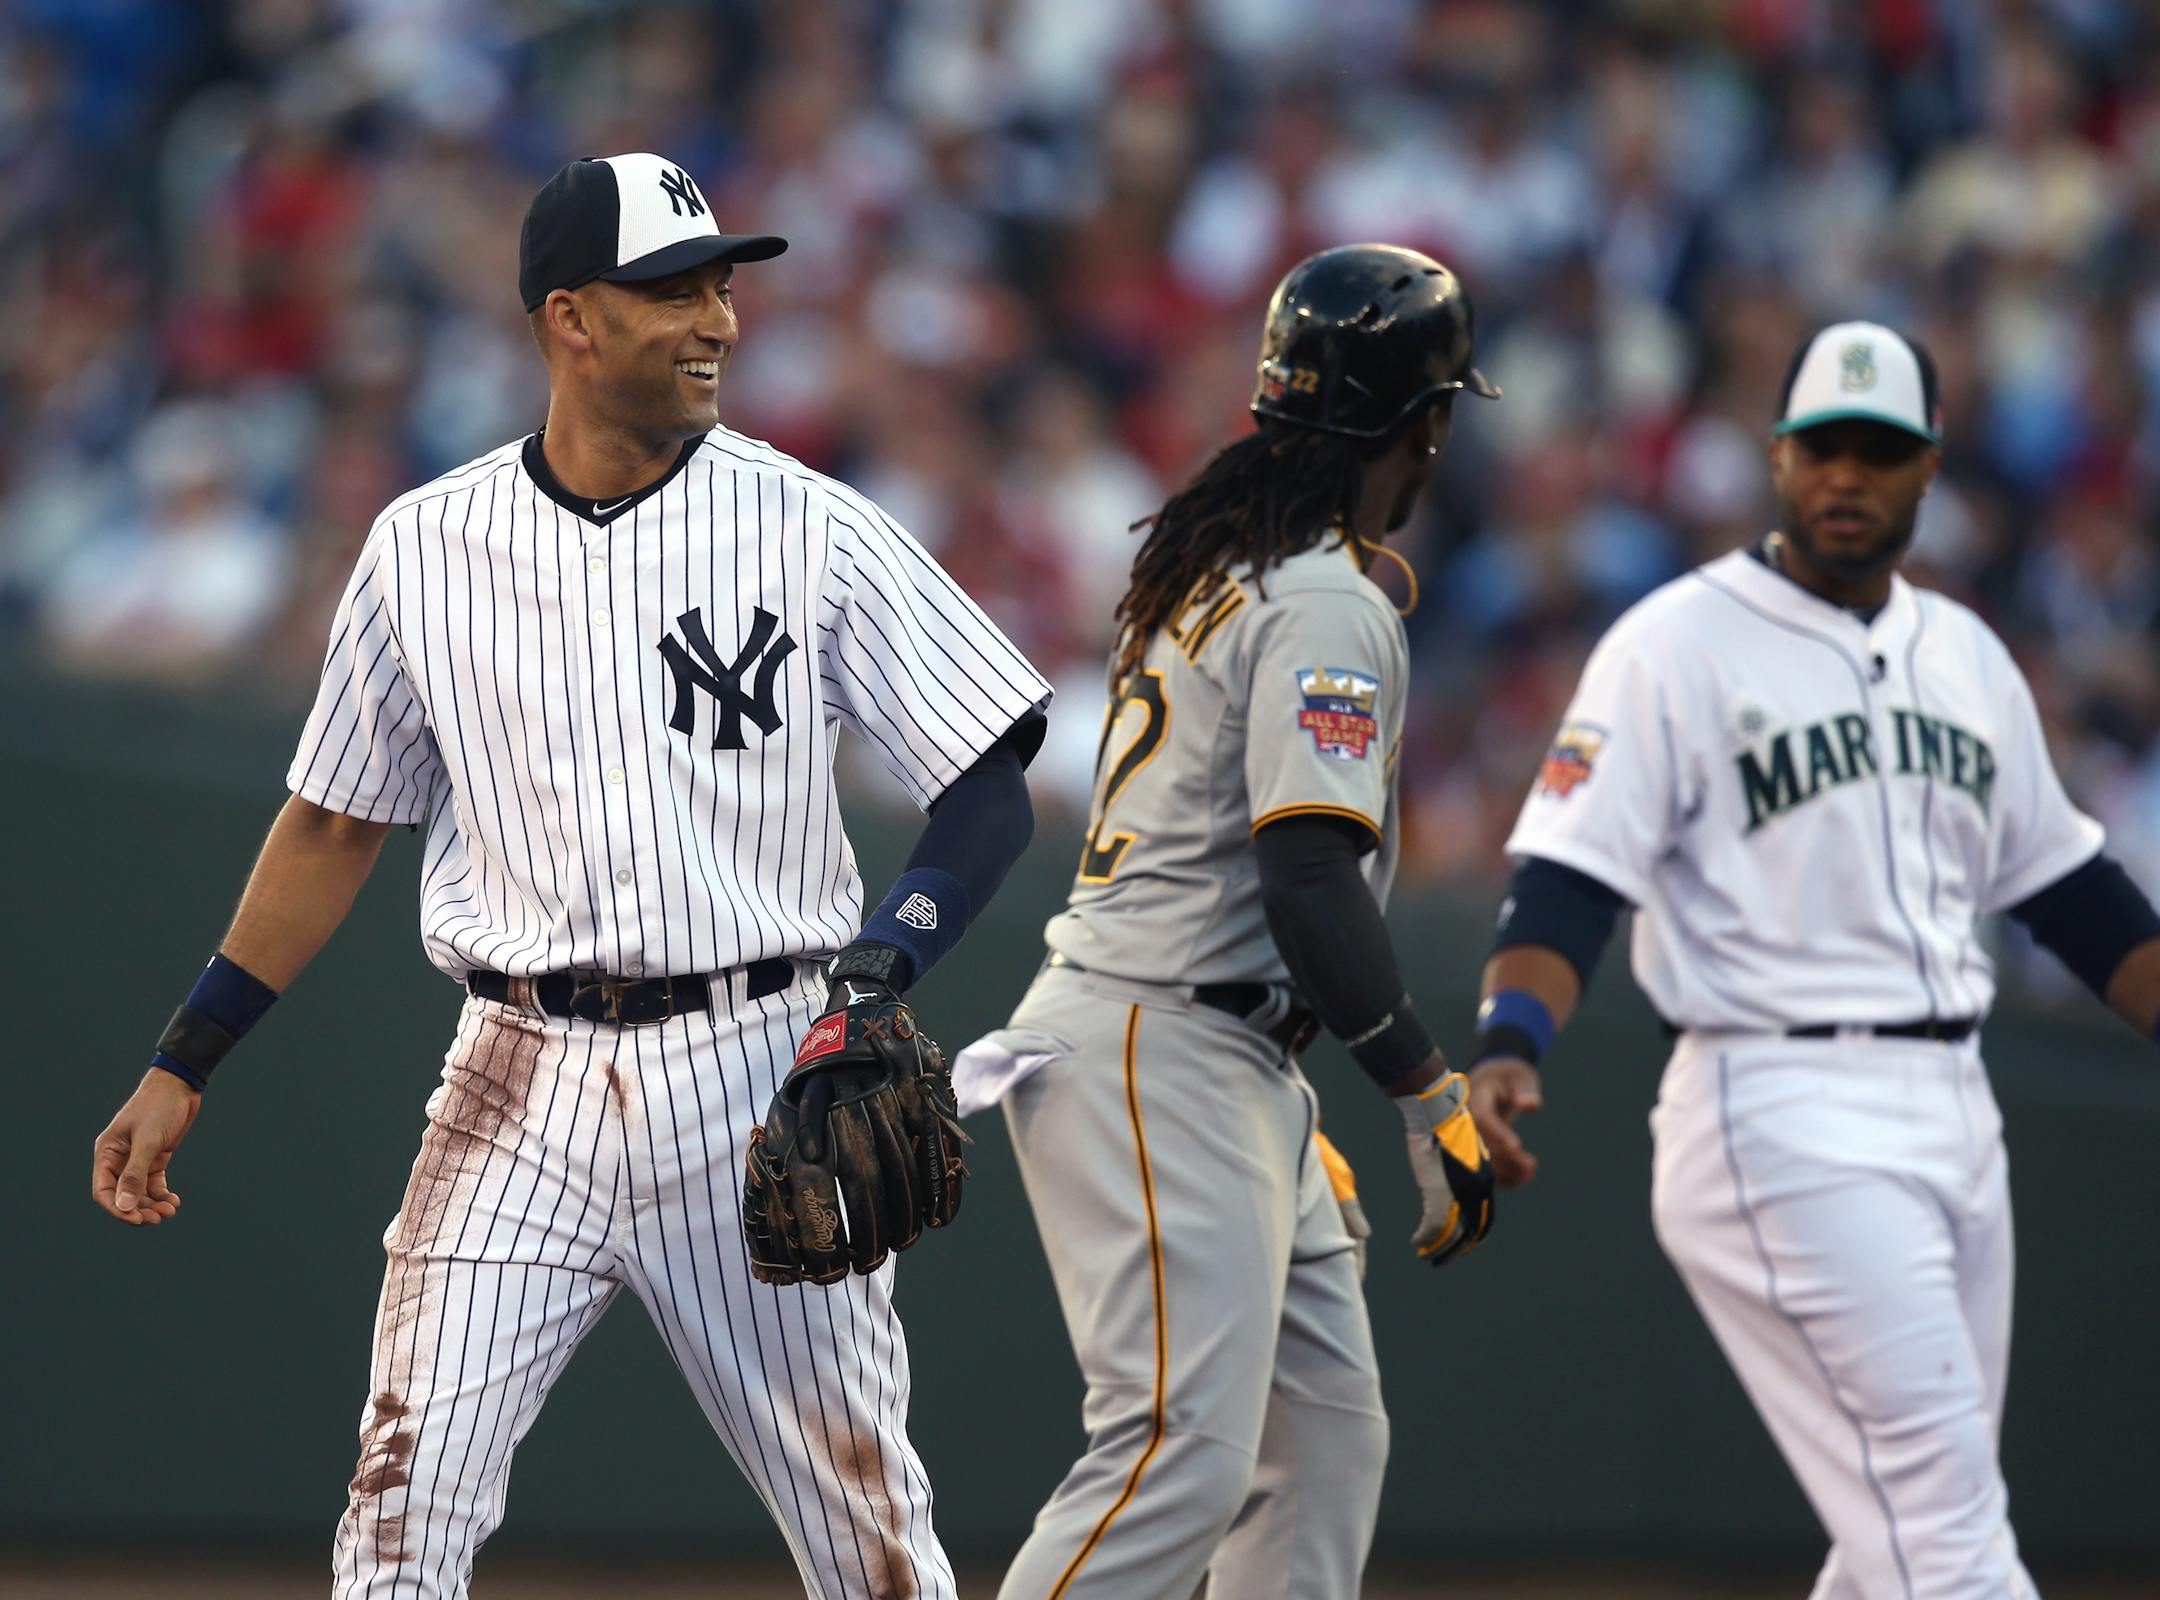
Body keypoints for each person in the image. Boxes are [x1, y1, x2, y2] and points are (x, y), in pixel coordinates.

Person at [88, 152, 1051, 1600]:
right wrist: (187, 1052)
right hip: (513, 1079)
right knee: (399, 1515)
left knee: (871, 1547)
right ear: (569, 319)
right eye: (674, 290)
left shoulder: (810, 523)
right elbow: (334, 824)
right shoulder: (426, 545)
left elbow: (987, 776)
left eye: (724, 284)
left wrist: (887, 960)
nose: (718, 317)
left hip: (755, 1062)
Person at [1464, 321, 2160, 1600]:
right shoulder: (1673, 643)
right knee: (1949, 1535)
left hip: (1956, 1108)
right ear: (1777, 459)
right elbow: (1568, 878)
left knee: (1895, 1527)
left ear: (1930, 468)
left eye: (1879, 451)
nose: (1848, 474)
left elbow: (2072, 891)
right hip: (1777, 1107)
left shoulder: (1966, 655)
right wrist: (1513, 1041)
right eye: (1822, 446)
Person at [952, 244, 1501, 1600]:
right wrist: (1423, 1085)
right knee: (1177, 1449)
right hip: (1166, 1037)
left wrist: (1276, 1110)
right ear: (1424, 421)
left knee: (1319, 1438)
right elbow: (1306, 877)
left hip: (1210, 1045)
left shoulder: (1226, 562)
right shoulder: (1322, 596)